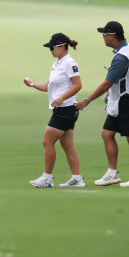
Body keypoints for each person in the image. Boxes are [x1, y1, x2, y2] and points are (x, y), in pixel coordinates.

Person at [75, 21, 129, 187]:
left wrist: (87, 100)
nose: (103, 38)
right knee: (107, 134)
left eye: (104, 35)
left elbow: (107, 84)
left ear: (112, 35)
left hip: (128, 100)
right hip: (121, 100)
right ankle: (112, 173)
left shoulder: (121, 57)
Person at [24, 33, 84, 188]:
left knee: (47, 141)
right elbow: (49, 86)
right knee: (67, 145)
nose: (50, 50)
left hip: (66, 109)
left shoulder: (70, 63)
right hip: (62, 109)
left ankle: (47, 178)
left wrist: (62, 98)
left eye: (52, 47)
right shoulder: (57, 64)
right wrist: (33, 85)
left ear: (62, 47)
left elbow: (77, 85)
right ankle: (77, 179)